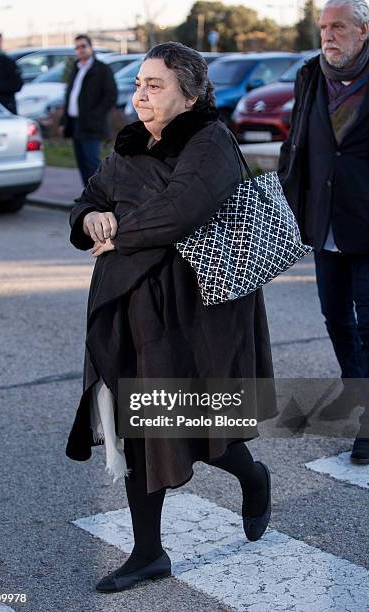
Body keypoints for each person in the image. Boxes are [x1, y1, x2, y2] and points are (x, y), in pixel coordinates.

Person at [66, 42, 276, 593]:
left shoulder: (211, 140)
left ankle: (253, 478)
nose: (140, 94)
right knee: (140, 428)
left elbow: (181, 209)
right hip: (133, 307)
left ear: (189, 92)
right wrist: (92, 220)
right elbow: (89, 197)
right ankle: (149, 552)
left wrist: (119, 232)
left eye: (155, 85)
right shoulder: (129, 145)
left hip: (195, 310)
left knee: (197, 424)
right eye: (138, 83)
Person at [278, 0, 369, 463]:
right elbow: (297, 141)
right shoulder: (311, 75)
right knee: (336, 318)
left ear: (364, 31)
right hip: (323, 222)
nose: (328, 35)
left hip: (368, 222)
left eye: (338, 27)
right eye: (323, 27)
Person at [59, 34, 117, 186]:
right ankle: (88, 200)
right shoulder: (76, 68)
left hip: (91, 125)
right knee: (82, 164)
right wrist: (63, 120)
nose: (80, 50)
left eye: (83, 46)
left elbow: (111, 95)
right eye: (77, 47)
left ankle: (100, 201)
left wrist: (96, 115)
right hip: (75, 124)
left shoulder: (102, 69)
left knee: (92, 163)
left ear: (91, 47)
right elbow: (70, 95)